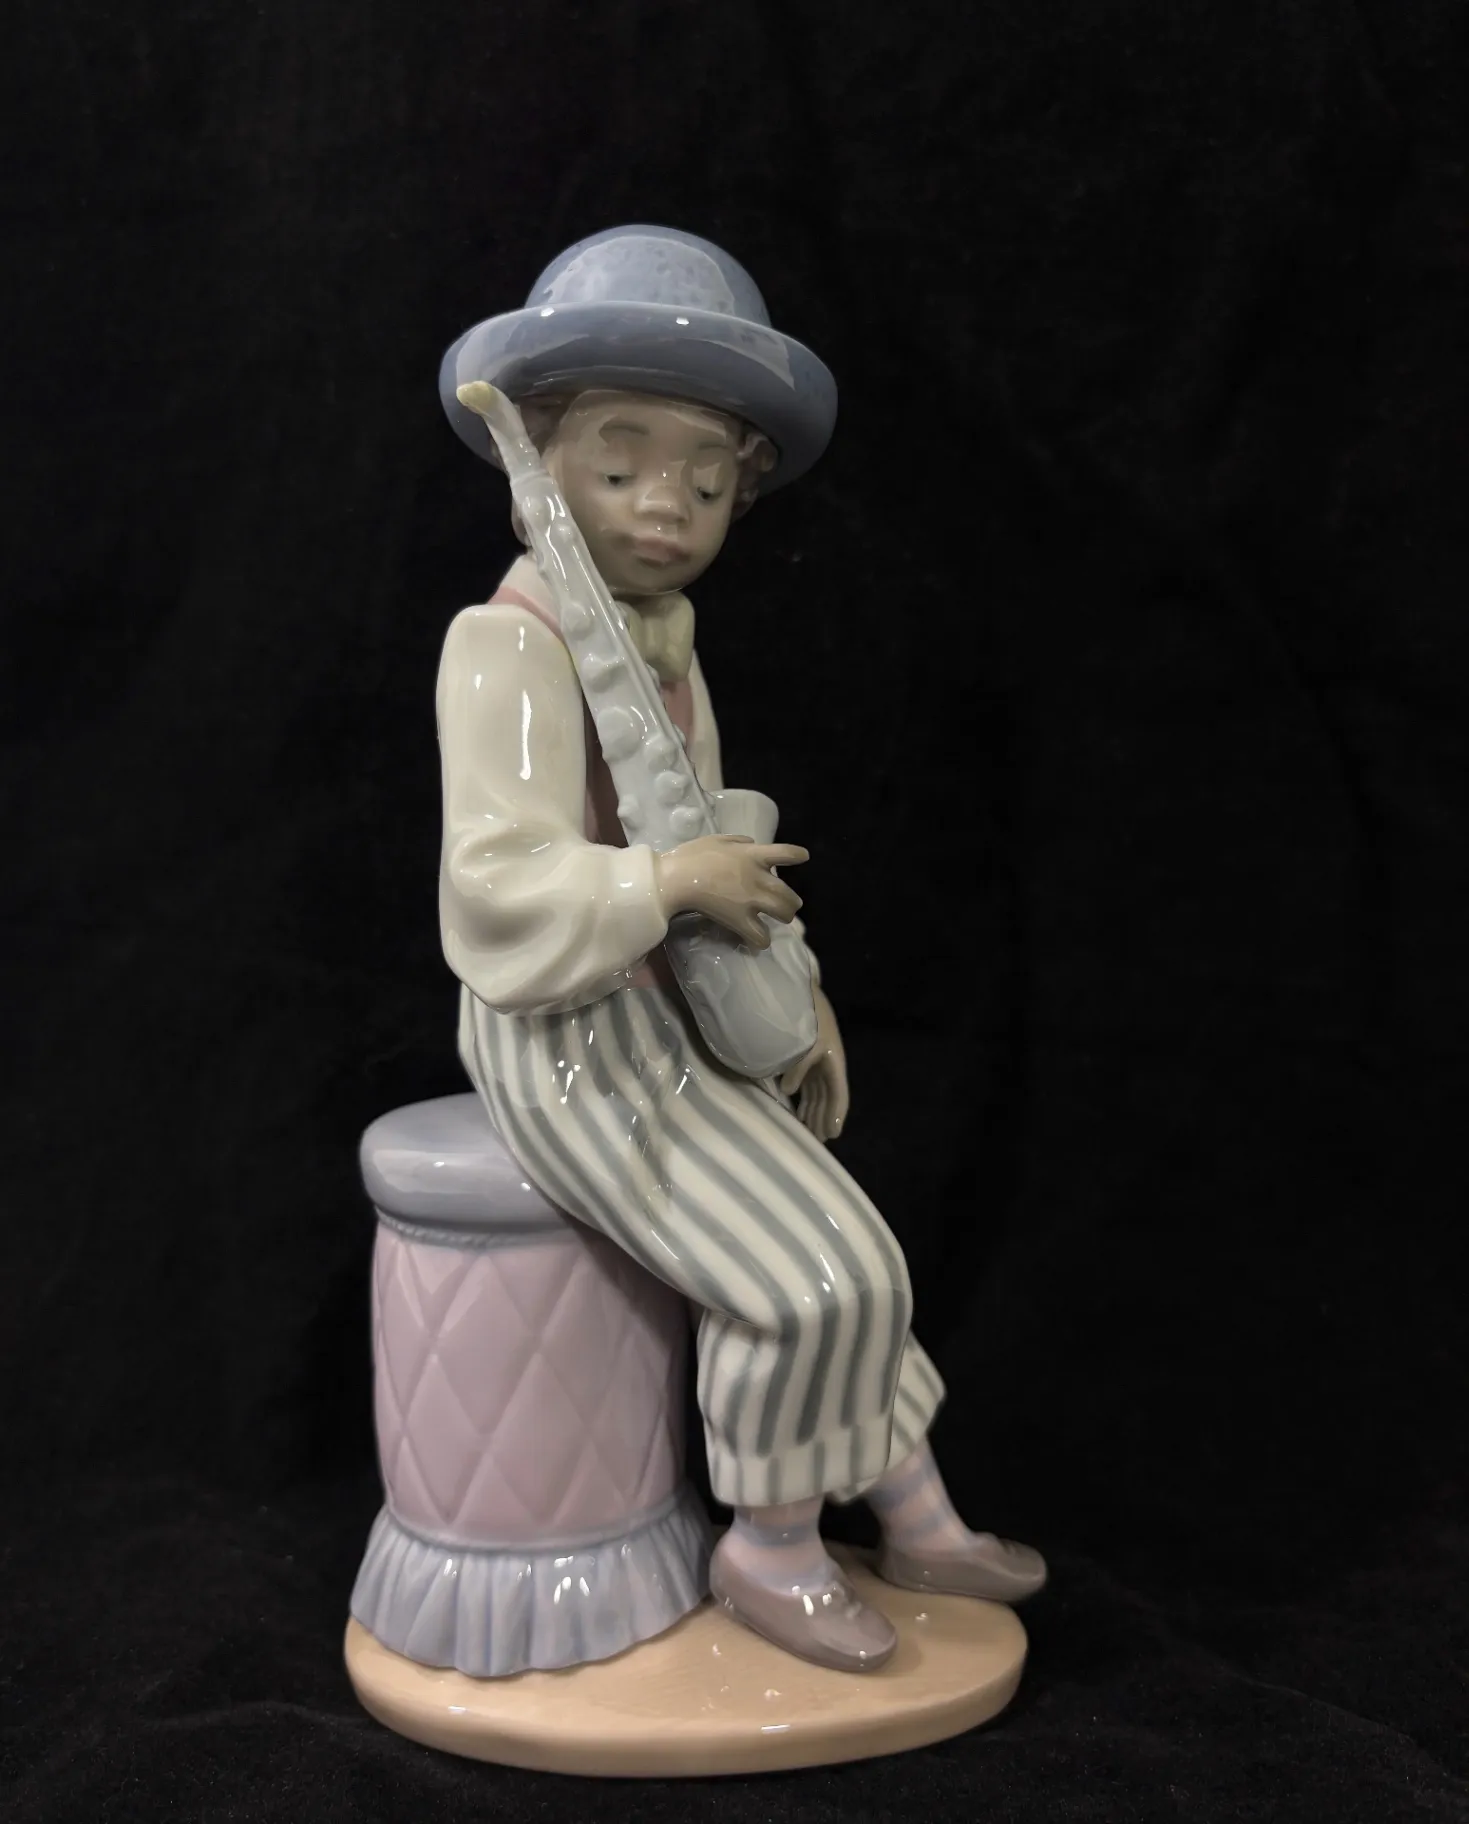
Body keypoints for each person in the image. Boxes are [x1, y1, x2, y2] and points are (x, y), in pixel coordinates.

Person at [435, 227, 1045, 1673]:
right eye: (621, 467)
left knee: (858, 1243)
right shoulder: (508, 644)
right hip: (567, 1028)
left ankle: (914, 1512)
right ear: (543, 469)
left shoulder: (660, 640)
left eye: (705, 483)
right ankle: (770, 1547)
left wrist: (800, 992)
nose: (667, 505)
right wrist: (667, 885)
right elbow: (497, 878)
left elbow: (710, 838)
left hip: (673, 1007)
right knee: (804, 1278)